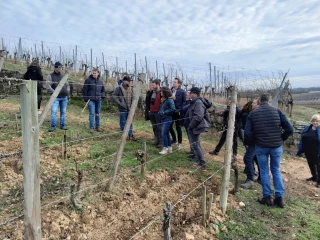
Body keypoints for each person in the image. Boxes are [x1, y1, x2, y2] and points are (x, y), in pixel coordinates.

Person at [244, 93, 293, 207]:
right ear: (270, 101)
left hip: (261, 146)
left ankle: (267, 197)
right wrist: (281, 138)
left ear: (260, 101)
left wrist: (253, 142)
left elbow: (247, 133)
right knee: (276, 170)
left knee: (264, 171)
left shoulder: (253, 114)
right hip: (276, 146)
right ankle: (279, 198)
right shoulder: (277, 111)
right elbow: (289, 128)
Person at [185, 87, 211, 171]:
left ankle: (202, 164)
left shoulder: (198, 102)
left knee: (195, 145)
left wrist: (190, 126)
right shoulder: (195, 102)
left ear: (195, 94)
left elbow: (198, 116)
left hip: (196, 126)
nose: (189, 94)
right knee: (196, 144)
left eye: (191, 93)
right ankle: (201, 162)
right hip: (195, 126)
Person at [240, 98, 260, 189]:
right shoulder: (255, 113)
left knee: (247, 158)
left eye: (254, 103)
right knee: (256, 158)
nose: (252, 104)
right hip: (256, 140)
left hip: (254, 140)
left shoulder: (256, 114)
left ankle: (250, 179)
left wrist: (249, 138)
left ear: (258, 104)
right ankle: (261, 178)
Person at [297, 114, 320, 188]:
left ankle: (319, 181)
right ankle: (314, 177)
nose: (315, 122)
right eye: (313, 121)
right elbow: (302, 138)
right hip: (308, 150)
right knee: (311, 164)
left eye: (317, 121)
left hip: (317, 151)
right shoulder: (307, 128)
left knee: (318, 166)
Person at [46, 62, 70, 132]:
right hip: (55, 98)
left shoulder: (63, 76)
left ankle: (62, 125)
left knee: (63, 112)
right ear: (55, 67)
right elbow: (48, 86)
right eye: (59, 67)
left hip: (64, 97)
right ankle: (53, 126)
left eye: (61, 67)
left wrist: (67, 92)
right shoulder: (50, 76)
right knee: (54, 111)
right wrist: (54, 92)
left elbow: (68, 85)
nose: (60, 69)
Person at [112, 76, 136, 141]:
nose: (130, 83)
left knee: (129, 121)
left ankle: (130, 135)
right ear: (125, 81)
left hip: (130, 108)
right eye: (129, 81)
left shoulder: (130, 89)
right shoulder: (119, 88)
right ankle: (124, 135)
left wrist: (133, 106)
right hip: (123, 108)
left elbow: (133, 98)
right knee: (122, 122)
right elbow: (114, 96)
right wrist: (120, 103)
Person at [82, 68, 106, 133]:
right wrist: (86, 99)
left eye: (95, 73)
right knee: (92, 113)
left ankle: (97, 127)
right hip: (91, 100)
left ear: (98, 74)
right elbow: (84, 90)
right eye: (93, 73)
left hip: (98, 100)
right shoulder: (88, 80)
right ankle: (91, 128)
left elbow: (103, 90)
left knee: (97, 113)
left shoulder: (100, 82)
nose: (94, 74)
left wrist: (102, 96)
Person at [169, 78, 186, 149]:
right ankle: (174, 139)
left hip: (178, 112)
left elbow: (184, 102)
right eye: (173, 82)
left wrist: (180, 110)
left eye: (175, 82)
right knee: (169, 126)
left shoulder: (182, 92)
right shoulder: (171, 90)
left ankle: (180, 143)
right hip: (171, 111)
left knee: (178, 128)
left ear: (179, 84)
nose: (174, 83)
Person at [159, 87, 175, 154]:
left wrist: (164, 112)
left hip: (167, 118)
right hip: (164, 118)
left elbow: (173, 109)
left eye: (162, 91)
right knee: (166, 133)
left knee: (163, 133)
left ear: (165, 92)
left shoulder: (169, 100)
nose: (160, 93)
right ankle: (169, 147)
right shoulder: (165, 100)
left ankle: (165, 148)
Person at [147, 79, 162, 147]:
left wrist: (160, 111)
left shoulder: (161, 92)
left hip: (158, 113)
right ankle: (157, 140)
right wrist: (149, 110)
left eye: (153, 85)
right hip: (152, 112)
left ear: (158, 84)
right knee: (154, 127)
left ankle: (161, 142)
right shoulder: (152, 92)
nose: (152, 86)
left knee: (159, 128)